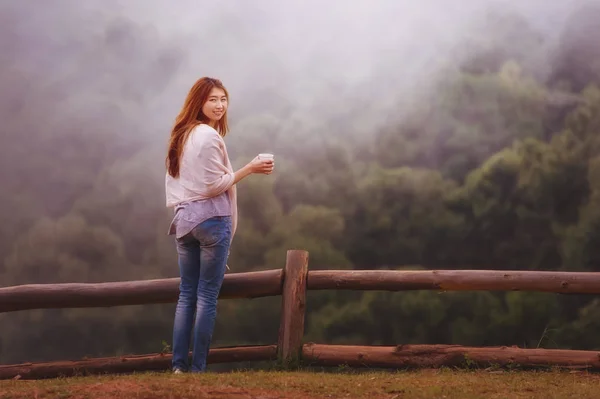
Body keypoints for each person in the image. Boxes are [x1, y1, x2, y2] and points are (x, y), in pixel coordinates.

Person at [165, 77, 274, 373]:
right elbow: (214, 185)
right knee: (206, 296)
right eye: (213, 99)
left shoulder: (181, 134)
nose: (219, 105)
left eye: (223, 99)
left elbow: (183, 184)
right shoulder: (210, 137)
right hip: (212, 220)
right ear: (199, 102)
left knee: (186, 294)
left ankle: (178, 367)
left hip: (184, 221)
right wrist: (250, 169)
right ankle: (198, 369)